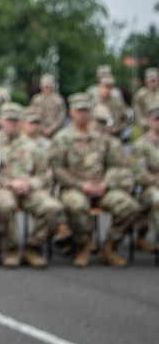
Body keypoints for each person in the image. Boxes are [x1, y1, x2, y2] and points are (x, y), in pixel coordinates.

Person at [49, 93, 137, 268]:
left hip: (102, 188)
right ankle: (83, 246)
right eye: (79, 110)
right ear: (71, 112)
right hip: (75, 188)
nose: (83, 114)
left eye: (86, 110)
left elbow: (116, 165)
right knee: (77, 205)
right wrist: (82, 185)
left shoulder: (101, 139)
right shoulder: (62, 139)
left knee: (129, 206)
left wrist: (106, 183)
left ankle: (109, 247)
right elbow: (57, 170)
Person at [0, 103, 62, 268]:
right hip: (3, 188)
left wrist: (28, 183)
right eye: (9, 119)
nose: (12, 123)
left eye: (16, 120)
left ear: (21, 122)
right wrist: (10, 183)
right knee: (5, 205)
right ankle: (11, 249)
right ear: (1, 120)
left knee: (51, 207)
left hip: (28, 189)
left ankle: (33, 247)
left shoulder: (32, 145)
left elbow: (44, 175)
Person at [130, 102, 159, 253]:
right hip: (148, 189)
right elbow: (140, 175)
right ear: (149, 120)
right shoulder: (141, 145)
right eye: (157, 118)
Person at [30, 73, 67, 138]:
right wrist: (43, 128)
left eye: (48, 86)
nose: (46, 88)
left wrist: (52, 128)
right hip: (39, 132)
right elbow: (32, 114)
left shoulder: (58, 100)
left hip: (56, 132)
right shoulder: (36, 100)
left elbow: (61, 115)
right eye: (45, 86)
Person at [96, 75, 130, 141]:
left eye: (109, 87)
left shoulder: (118, 103)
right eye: (105, 87)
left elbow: (126, 119)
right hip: (99, 138)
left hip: (115, 138)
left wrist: (118, 128)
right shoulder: (95, 103)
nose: (107, 89)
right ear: (100, 87)